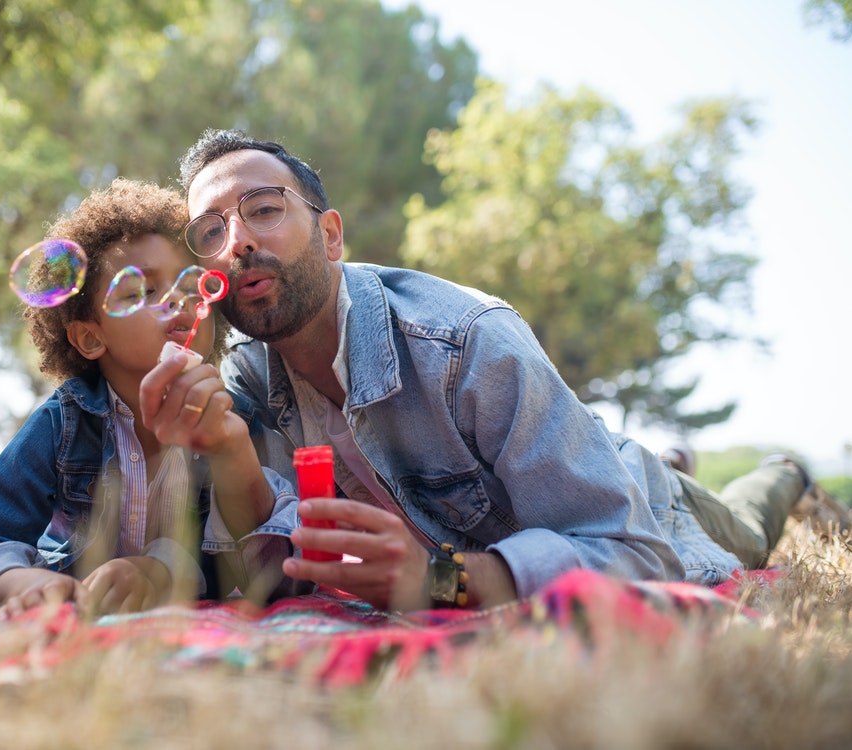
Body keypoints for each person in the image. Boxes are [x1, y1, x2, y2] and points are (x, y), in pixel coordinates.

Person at [157, 128, 813, 612]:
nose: (235, 240)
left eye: (263, 209)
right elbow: (272, 569)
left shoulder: (464, 341)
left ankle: (781, 473)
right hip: (570, 466)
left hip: (650, 512)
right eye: (209, 231)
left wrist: (438, 578)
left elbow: (633, 552)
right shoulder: (244, 379)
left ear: (330, 236)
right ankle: (655, 456)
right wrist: (223, 451)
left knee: (747, 528)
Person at [0, 178, 297, 615]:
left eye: (190, 287)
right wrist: (24, 583)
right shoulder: (65, 423)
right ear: (91, 338)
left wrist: (160, 570)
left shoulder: (233, 420)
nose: (178, 303)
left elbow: (272, 575)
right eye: (143, 291)